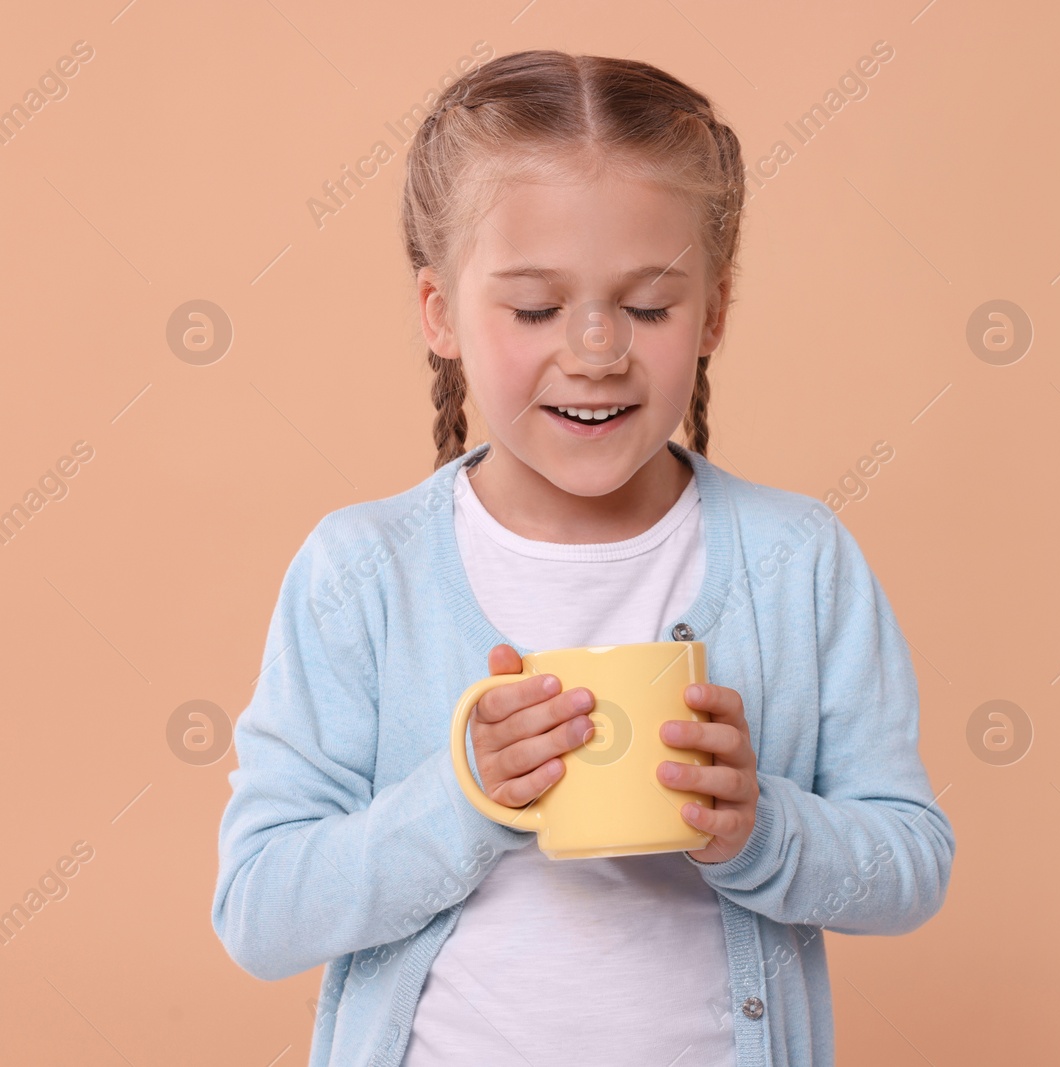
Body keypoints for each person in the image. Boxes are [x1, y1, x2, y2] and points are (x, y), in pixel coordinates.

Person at [211, 48, 955, 1067]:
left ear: (715, 312)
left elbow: (910, 864)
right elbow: (260, 909)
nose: (597, 349)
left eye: (647, 306)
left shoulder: (797, 560)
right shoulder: (363, 573)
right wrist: (462, 794)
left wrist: (760, 826)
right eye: (534, 308)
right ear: (439, 312)